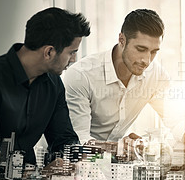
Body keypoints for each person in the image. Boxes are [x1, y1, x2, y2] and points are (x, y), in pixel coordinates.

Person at [0, 7, 91, 164]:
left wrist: (69, 159)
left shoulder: (54, 84)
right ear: (49, 52)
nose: (73, 59)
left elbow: (64, 139)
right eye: (71, 52)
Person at [63, 9, 170, 144]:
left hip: (116, 162)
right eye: (141, 49)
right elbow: (78, 140)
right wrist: (119, 148)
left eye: (154, 52)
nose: (147, 60)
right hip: (76, 162)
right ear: (122, 40)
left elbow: (176, 120)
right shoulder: (81, 75)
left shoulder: (156, 75)